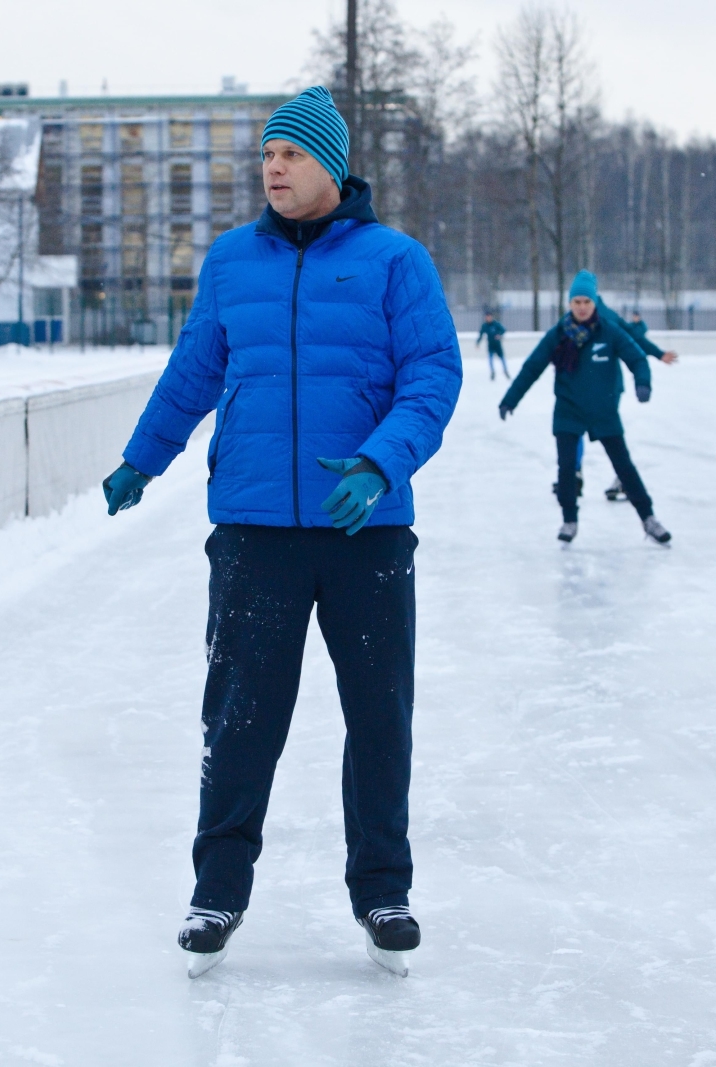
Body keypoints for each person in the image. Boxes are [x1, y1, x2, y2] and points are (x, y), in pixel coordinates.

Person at [101, 86, 461, 979]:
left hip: (365, 531)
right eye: (267, 154)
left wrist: (383, 462)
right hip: (256, 531)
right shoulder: (231, 263)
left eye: (291, 155)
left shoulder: (395, 263)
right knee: (241, 717)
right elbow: (193, 371)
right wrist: (144, 457)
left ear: (331, 167)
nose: (273, 167)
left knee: (379, 715)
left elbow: (433, 375)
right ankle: (216, 888)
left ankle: (383, 888)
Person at [498, 270, 671, 546]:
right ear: (569, 304)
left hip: (604, 411)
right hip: (569, 410)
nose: (581, 307)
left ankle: (649, 518)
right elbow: (533, 367)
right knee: (566, 469)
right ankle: (569, 519)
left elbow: (637, 358)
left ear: (594, 303)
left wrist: (643, 383)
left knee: (623, 466)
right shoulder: (559, 334)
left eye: (586, 302)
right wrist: (510, 398)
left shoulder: (609, 332)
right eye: (576, 302)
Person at [602, 309, 679, 501]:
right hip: (577, 388)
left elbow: (633, 339)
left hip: (607, 387)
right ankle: (572, 475)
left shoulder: (606, 315)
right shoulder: (570, 321)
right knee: (571, 432)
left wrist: (658, 354)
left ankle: (623, 478)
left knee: (611, 436)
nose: (582, 305)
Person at [476, 310, 509, 379]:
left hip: (497, 345)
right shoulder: (485, 325)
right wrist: (478, 342)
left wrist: (499, 335)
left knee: (502, 358)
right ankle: (492, 372)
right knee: (490, 359)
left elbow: (503, 330)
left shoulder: (496, 324)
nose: (488, 318)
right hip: (490, 345)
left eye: (489, 316)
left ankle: (505, 371)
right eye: (486, 317)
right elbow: (481, 334)